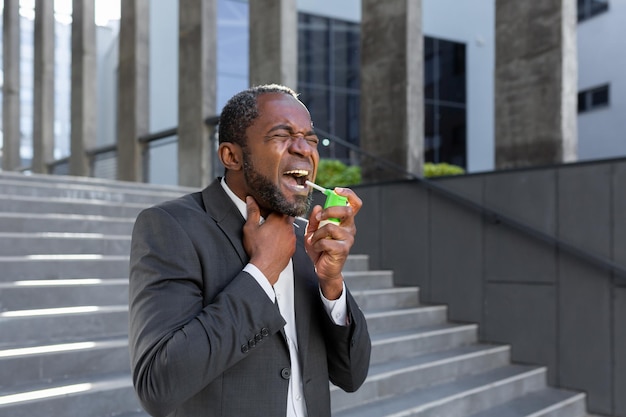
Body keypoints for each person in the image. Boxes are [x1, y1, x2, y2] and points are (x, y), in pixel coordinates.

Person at [128, 84, 371, 417]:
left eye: (310, 139)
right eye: (282, 135)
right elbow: (158, 385)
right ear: (232, 156)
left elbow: (352, 375)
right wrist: (262, 271)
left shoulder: (307, 239)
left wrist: (332, 283)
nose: (304, 149)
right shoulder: (170, 226)